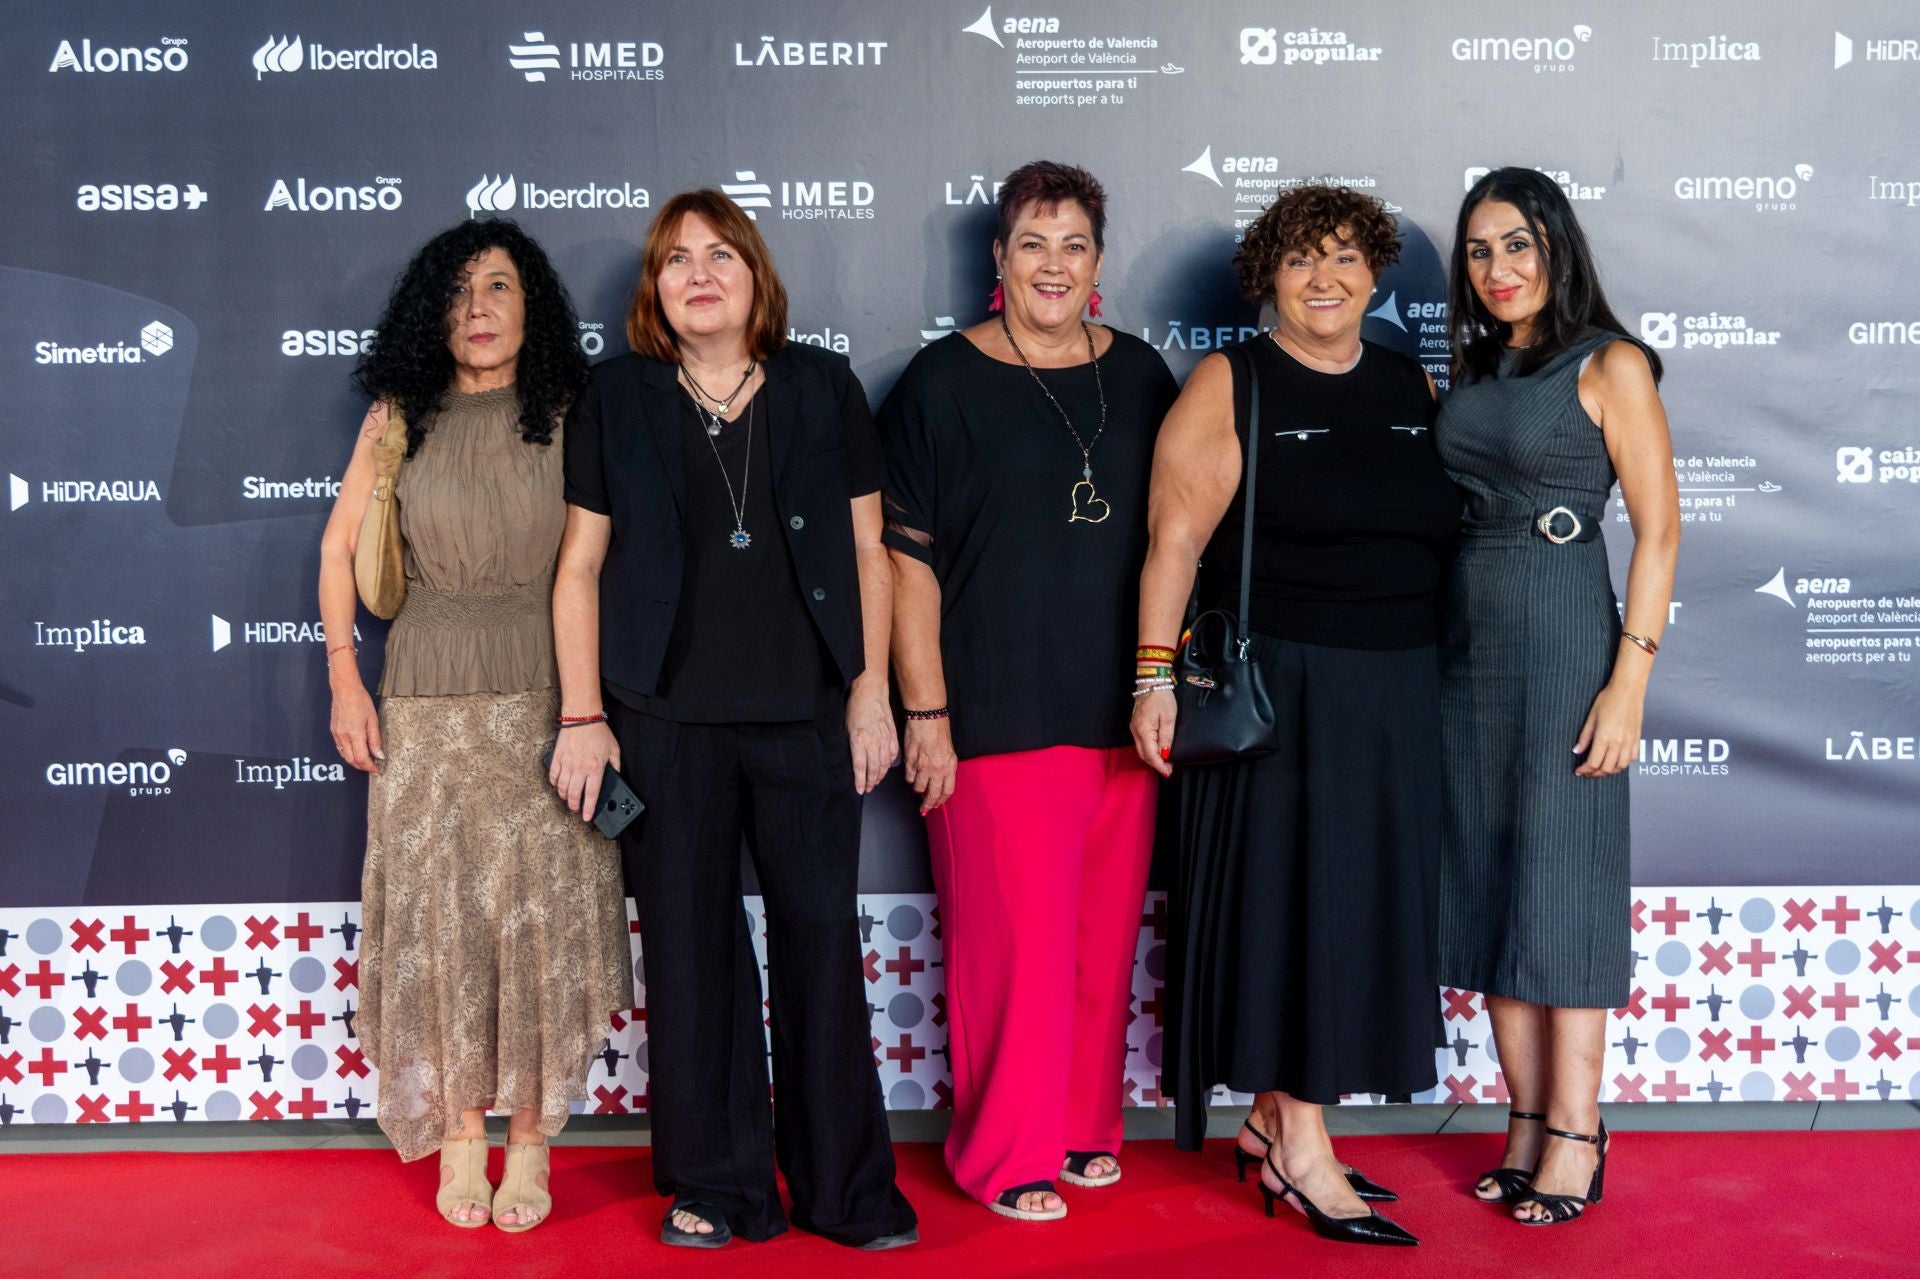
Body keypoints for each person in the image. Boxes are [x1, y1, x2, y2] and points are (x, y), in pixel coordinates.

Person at [547, 189, 917, 1251]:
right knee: (693, 954)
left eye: (719, 254)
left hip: (806, 716)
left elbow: (865, 556)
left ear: (756, 274)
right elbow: (579, 570)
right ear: (654, 290)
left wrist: (870, 690)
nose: (697, 273)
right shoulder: (615, 398)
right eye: (674, 260)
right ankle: (722, 1185)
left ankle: (848, 1191)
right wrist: (584, 714)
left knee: (817, 946)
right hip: (663, 725)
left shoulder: (822, 388)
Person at [1131, 184, 1452, 1247]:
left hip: (1397, 689)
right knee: (1301, 909)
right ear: (1267, 274)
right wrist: (1152, 677)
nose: (1327, 278)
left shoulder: (1413, 381)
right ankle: (1306, 1146)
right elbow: (1174, 541)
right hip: (1288, 694)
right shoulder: (1233, 380)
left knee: (1357, 909)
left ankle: (1277, 1123)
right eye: (1303, 259)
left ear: (1376, 273)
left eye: (1348, 258)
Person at [318, 219, 631, 1231]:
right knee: (446, 916)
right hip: (423, 694)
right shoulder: (398, 414)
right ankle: (461, 1128)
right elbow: (337, 553)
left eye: (498, 287)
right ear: (433, 315)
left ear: (530, 303)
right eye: (458, 294)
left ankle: (531, 1139)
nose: (480, 309)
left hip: (550, 695)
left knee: (536, 916)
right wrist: (344, 681)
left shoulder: (576, 411)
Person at [880, 160, 1178, 1223]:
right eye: (1032, 244)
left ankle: (1087, 1126)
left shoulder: (1143, 376)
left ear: (1098, 264)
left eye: (1075, 246)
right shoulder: (940, 384)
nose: (1054, 264)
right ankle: (1004, 1153)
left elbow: (1181, 537)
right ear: (998, 261)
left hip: (1121, 711)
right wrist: (926, 713)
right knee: (1017, 949)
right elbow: (903, 563)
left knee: (1101, 939)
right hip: (994, 711)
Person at [1436, 166, 1679, 1226]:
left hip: (1568, 638)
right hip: (1468, 643)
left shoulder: (1611, 362)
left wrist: (1628, 679)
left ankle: (1578, 1128)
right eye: (1481, 251)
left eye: (1519, 245)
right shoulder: (1477, 370)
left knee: (1565, 878)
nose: (1499, 269)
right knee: (1493, 877)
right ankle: (1526, 1120)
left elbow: (1661, 532)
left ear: (1557, 247)